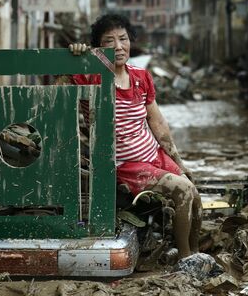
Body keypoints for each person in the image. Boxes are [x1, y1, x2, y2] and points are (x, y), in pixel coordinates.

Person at [68, 14, 201, 259]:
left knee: (194, 195)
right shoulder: (90, 76)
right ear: (98, 46)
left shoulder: (140, 76)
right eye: (110, 41)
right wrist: (76, 58)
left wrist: (179, 162)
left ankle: (196, 252)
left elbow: (157, 123)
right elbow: (58, 92)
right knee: (182, 190)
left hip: (153, 155)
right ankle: (185, 259)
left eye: (123, 39)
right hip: (124, 165)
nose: (118, 47)